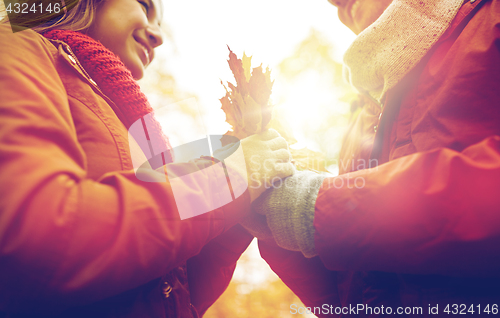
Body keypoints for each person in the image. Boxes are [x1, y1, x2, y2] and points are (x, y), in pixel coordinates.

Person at [0, 0, 294, 316]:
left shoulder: (137, 125)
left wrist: (238, 213)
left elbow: (167, 287)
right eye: (144, 5)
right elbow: (42, 242)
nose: (159, 36)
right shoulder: (15, 46)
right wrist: (228, 177)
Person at [247, 0, 500, 316]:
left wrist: (317, 207)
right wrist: (278, 223)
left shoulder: (493, 21)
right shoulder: (365, 112)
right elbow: (360, 291)